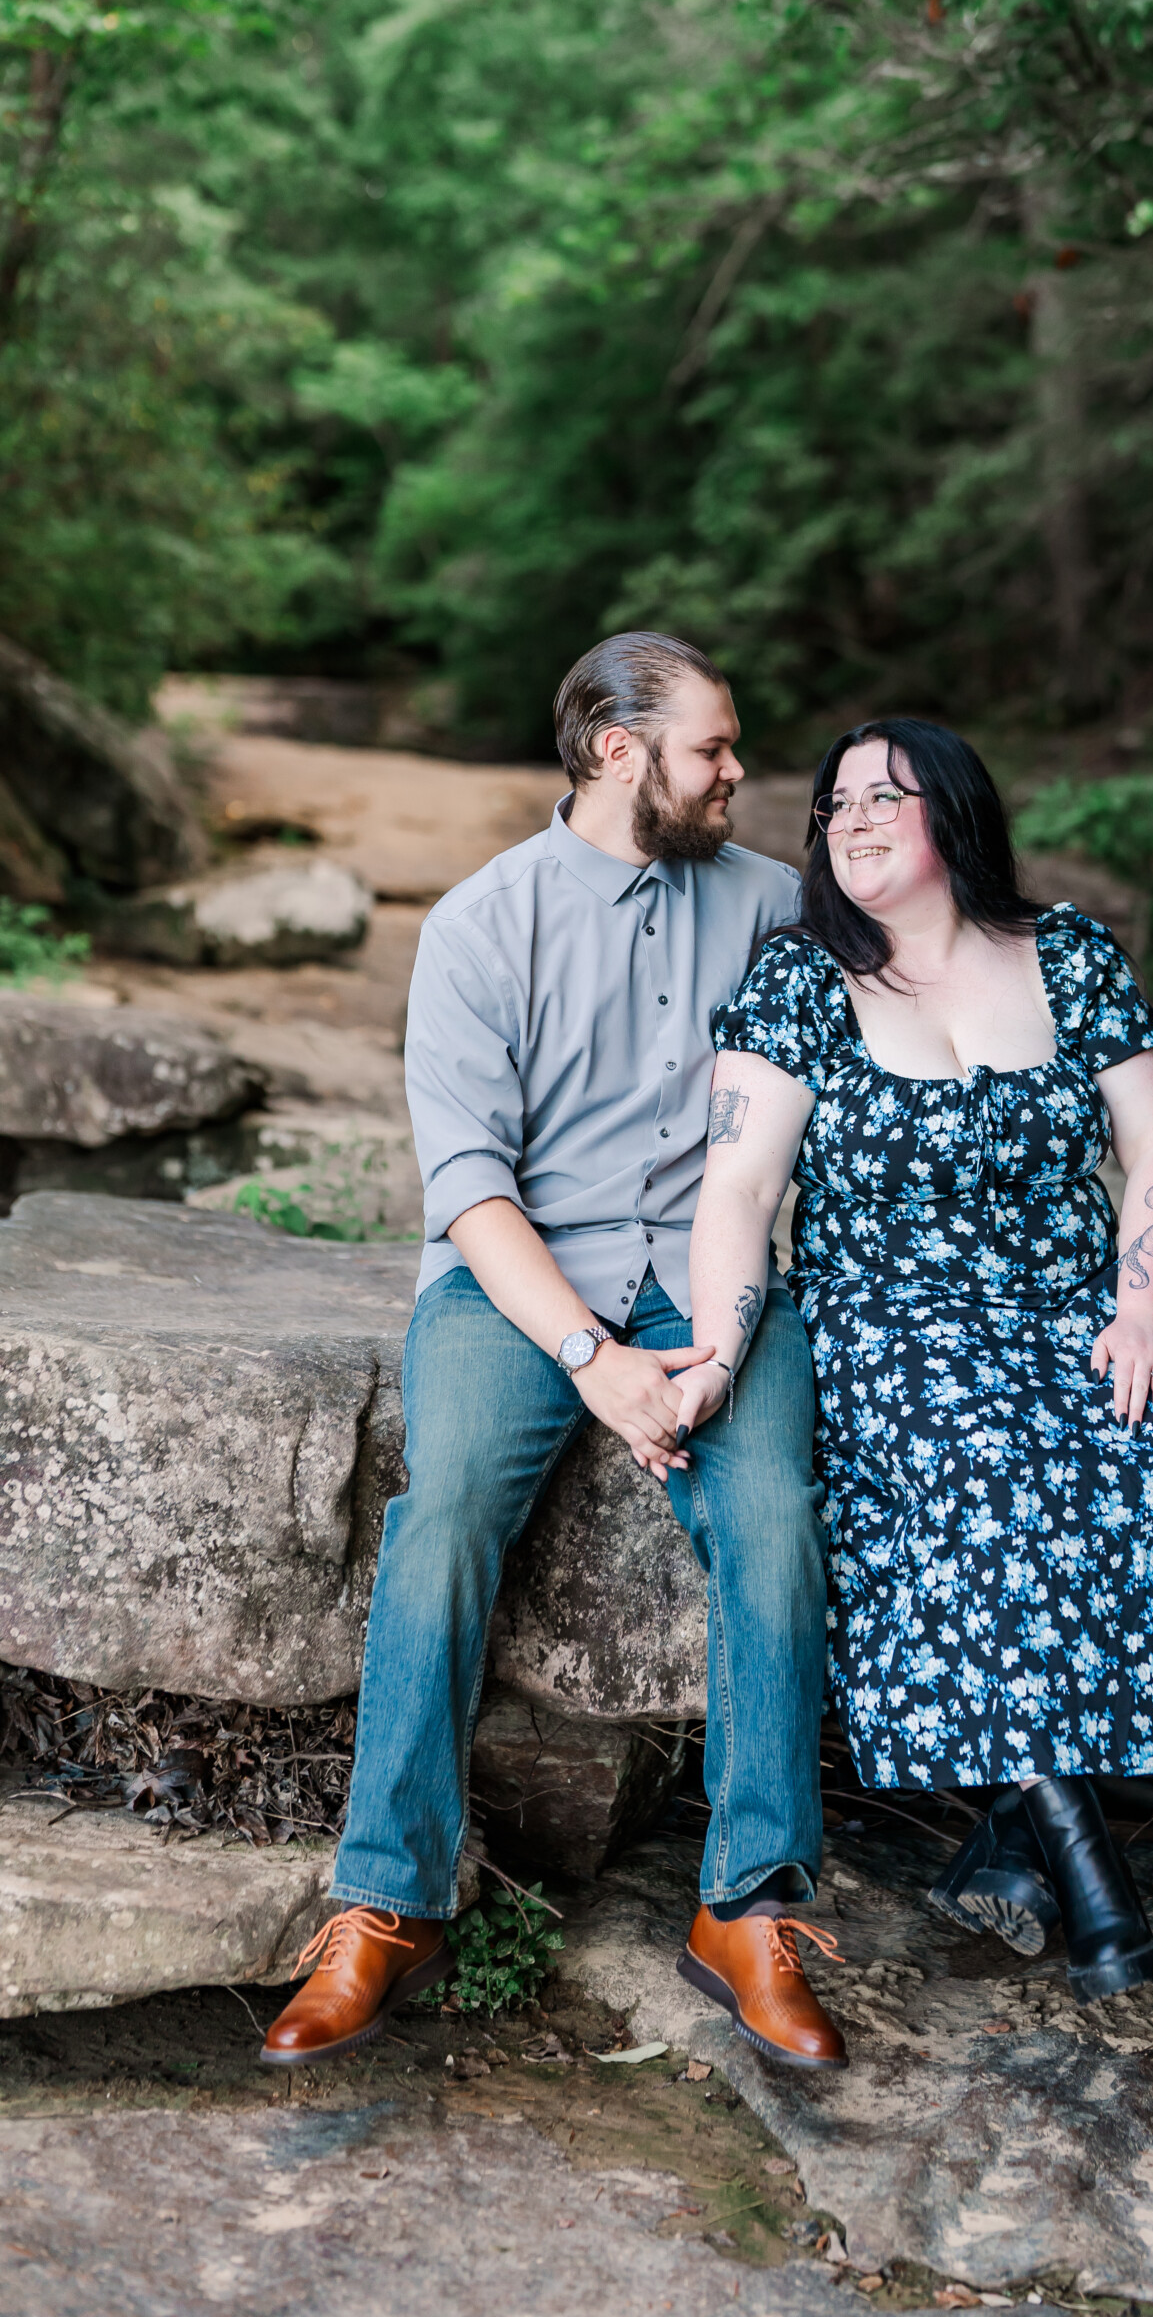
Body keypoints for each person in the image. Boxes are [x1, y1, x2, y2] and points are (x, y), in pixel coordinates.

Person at [260, 633, 846, 2074]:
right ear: (615, 752)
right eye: (713, 748)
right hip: (517, 1285)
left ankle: (749, 1907)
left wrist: (712, 1344)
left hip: (716, 1279)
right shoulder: (480, 923)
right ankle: (386, 1902)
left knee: (773, 1517)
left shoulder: (779, 909)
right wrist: (594, 1355)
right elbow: (469, 1188)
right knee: (445, 1509)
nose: (739, 772)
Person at [673, 717, 1153, 2005]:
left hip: (1065, 1305)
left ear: (957, 810)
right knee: (977, 1474)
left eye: (890, 794)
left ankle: (1009, 1833)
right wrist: (720, 1343)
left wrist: (1142, 1305)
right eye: (836, 803)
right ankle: (1097, 1883)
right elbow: (739, 1190)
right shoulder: (801, 978)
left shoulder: (1067, 953)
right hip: (889, 1321)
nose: (856, 816)